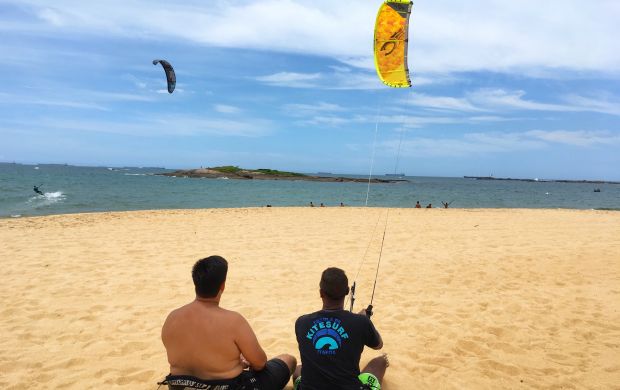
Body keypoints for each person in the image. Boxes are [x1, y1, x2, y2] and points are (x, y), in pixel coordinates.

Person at [161, 255, 296, 390]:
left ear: (196, 282)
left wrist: (231, 363)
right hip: (226, 386)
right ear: (223, 286)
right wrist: (237, 363)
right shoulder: (233, 321)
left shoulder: (172, 318)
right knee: (288, 360)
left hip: (180, 387)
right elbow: (260, 363)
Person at [293, 267, 388, 390]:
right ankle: (384, 360)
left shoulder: (301, 322)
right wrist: (365, 321)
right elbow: (378, 345)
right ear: (348, 291)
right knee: (380, 361)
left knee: (297, 371)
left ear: (321, 292)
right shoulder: (361, 322)